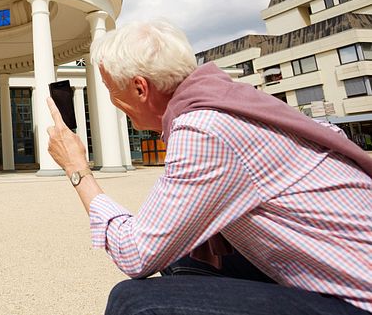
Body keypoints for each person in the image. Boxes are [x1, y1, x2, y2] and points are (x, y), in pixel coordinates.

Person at [46, 19, 372, 315]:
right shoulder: (226, 99)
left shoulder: (204, 128)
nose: (112, 101)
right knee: (181, 259)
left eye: (109, 88)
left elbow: (135, 254)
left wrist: (78, 170)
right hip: (337, 270)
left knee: (132, 303)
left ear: (140, 88)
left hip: (357, 296)